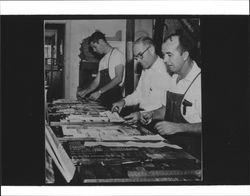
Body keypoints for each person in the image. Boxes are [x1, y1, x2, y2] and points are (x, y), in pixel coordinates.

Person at [140, 31, 202, 158]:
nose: (165, 60)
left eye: (169, 55)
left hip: (193, 155)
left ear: (185, 55)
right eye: (164, 55)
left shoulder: (200, 82)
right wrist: (150, 114)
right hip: (172, 150)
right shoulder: (174, 78)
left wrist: (178, 127)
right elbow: (165, 110)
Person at [111, 36, 171, 124]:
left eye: (140, 55)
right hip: (142, 118)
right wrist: (124, 102)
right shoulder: (145, 69)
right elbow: (139, 93)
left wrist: (141, 115)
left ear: (151, 50)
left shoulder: (166, 71)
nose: (138, 60)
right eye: (136, 57)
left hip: (157, 122)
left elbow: (167, 109)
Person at [77, 31, 125, 108]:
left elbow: (118, 78)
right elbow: (96, 82)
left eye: (94, 47)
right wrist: (85, 91)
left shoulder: (117, 54)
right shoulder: (102, 60)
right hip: (104, 99)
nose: (94, 50)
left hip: (115, 100)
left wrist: (99, 92)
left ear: (101, 41)